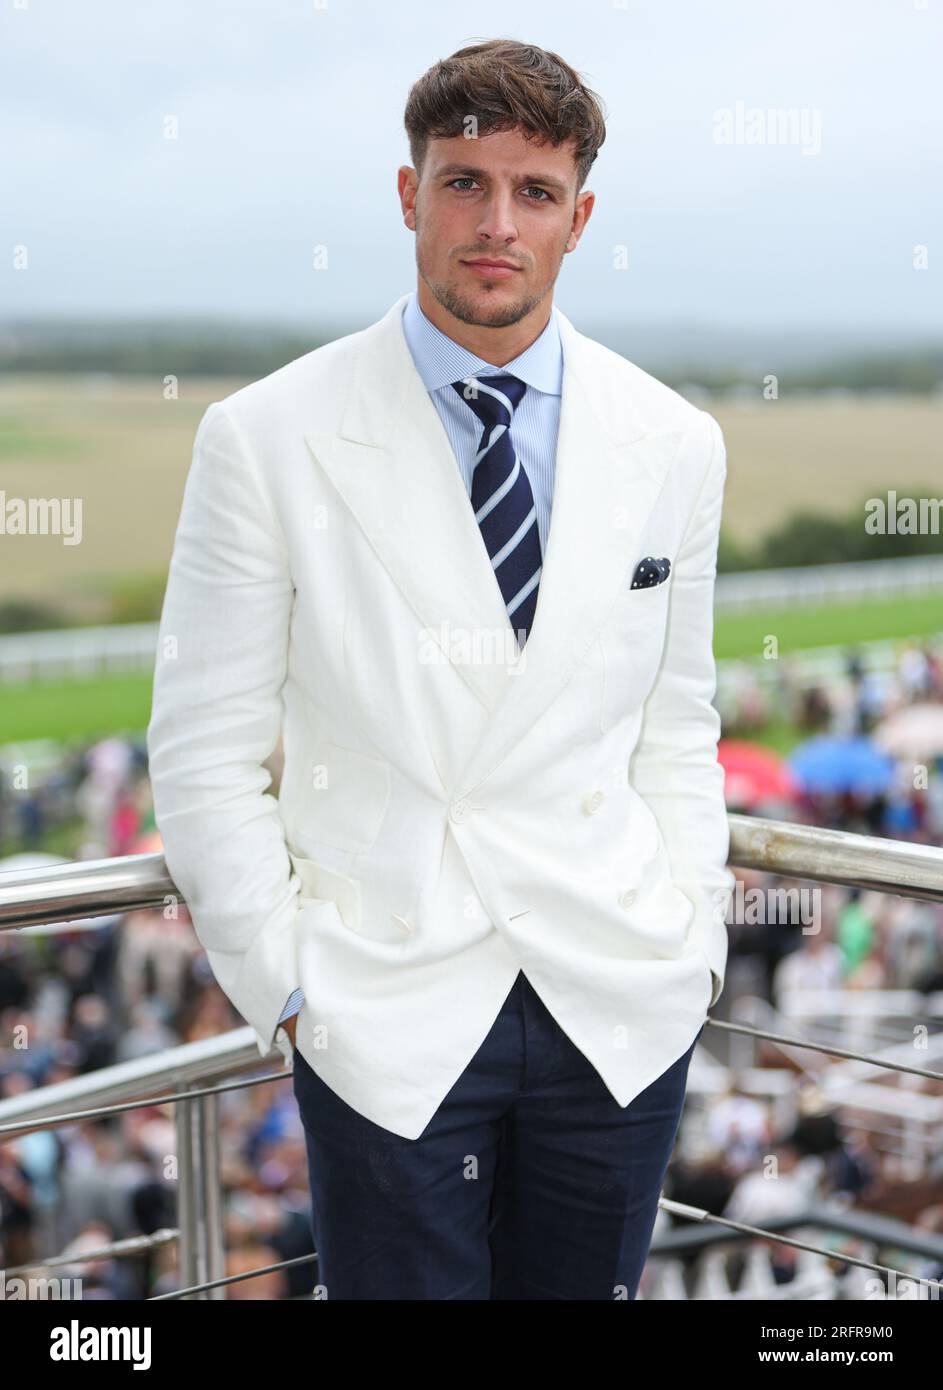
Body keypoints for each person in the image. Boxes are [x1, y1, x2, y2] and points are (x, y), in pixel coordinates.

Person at [146, 38, 733, 1300]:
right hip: (387, 1003)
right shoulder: (265, 437)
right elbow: (202, 749)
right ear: (407, 194)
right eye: (463, 182)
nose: (495, 224)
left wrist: (695, 945)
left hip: (614, 996)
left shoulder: (675, 442)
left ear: (580, 218)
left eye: (532, 193)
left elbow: (677, 724)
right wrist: (293, 988)